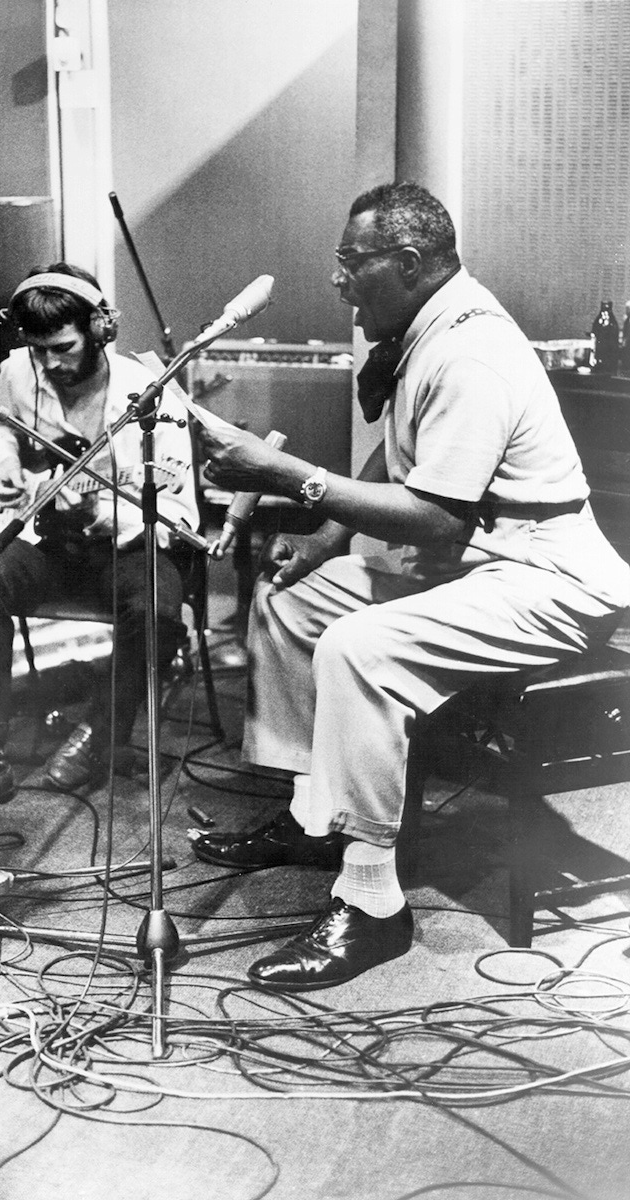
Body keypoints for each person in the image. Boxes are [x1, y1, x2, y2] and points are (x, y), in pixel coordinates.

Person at [193, 181, 630, 993]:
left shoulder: (470, 350)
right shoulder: (422, 327)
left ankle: (372, 905)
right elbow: (405, 454)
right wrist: (325, 540)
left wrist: (287, 475)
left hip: (549, 578)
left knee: (361, 647)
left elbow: (433, 514)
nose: (338, 279)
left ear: (407, 261)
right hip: (482, 561)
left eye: (351, 262)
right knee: (292, 605)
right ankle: (317, 818)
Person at [0, 264, 200, 830]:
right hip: (49, 547)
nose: (50, 364)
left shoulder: (149, 398)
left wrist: (102, 511)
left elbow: (177, 514)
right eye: (38, 350)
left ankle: (102, 732)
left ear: (101, 330)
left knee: (155, 608)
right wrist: (3, 466)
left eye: (63, 347)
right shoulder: (19, 371)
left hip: (126, 549)